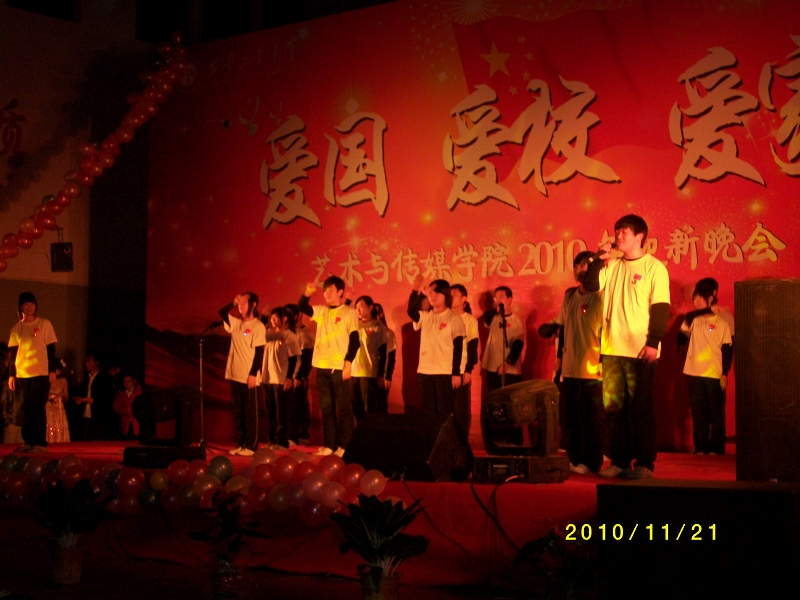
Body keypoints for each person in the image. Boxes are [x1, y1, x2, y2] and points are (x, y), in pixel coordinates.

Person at [584, 214, 670, 480]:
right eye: (617, 231)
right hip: (612, 350)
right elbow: (590, 285)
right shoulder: (612, 265)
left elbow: (661, 309)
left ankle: (644, 463)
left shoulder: (654, 267)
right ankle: (619, 461)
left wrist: (653, 343)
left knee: (640, 408)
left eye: (624, 232)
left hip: (640, 351)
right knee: (613, 409)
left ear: (640, 236)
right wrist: (598, 259)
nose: (618, 236)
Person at [538, 251, 606, 474]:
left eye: (585, 265)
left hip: (593, 368)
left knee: (592, 417)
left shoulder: (601, 297)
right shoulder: (569, 297)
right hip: (570, 366)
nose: (579, 270)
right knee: (572, 416)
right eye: (576, 265)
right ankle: (575, 458)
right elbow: (564, 327)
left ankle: (592, 461)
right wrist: (559, 358)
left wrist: (604, 360)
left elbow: (607, 331)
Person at [298, 276, 359, 456]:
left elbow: (355, 341)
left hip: (339, 367)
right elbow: (302, 307)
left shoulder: (349, 313)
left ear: (340, 292)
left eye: (330, 290)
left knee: (344, 409)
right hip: (321, 366)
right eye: (325, 291)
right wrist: (308, 292)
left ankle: (345, 446)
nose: (326, 294)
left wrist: (348, 363)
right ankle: (329, 445)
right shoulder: (321, 311)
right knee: (326, 408)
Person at [678, 280, 733, 455]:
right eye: (695, 298)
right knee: (698, 411)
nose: (697, 301)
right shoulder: (692, 319)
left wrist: (724, 373)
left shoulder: (723, 321)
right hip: (694, 372)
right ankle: (700, 447)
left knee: (716, 413)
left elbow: (727, 349)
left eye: (700, 298)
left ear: (711, 298)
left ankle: (717, 448)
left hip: (714, 373)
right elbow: (680, 338)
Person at [7, 292, 58, 453]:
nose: (29, 307)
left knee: (37, 407)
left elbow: (51, 349)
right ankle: (28, 441)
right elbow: (13, 354)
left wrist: (51, 370)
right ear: (21, 307)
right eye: (26, 304)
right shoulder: (16, 328)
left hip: (41, 372)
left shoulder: (44, 323)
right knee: (26, 408)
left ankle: (40, 442)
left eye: (32, 304)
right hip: (22, 373)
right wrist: (11, 375)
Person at [407, 277, 465, 418]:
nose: (432, 296)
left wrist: (456, 373)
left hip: (445, 373)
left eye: (436, 292)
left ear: (446, 295)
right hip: (424, 372)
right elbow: (411, 311)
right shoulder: (425, 316)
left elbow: (458, 347)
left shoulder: (454, 318)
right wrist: (418, 292)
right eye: (430, 293)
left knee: (445, 413)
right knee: (428, 412)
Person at [219, 292, 267, 457]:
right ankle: (241, 444)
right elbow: (222, 312)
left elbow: (259, 352)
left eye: (244, 303)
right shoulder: (236, 323)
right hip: (234, 373)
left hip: (248, 376)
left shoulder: (257, 326)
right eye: (239, 303)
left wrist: (253, 374)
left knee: (250, 412)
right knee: (238, 412)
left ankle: (251, 446)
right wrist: (233, 302)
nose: (240, 306)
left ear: (253, 305)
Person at [262, 306, 301, 449]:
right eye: (271, 317)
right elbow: (254, 334)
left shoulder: (289, 336)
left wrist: (289, 377)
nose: (272, 320)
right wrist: (263, 318)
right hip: (267, 379)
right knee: (270, 412)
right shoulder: (269, 335)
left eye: (276, 317)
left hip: (281, 379)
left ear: (284, 319)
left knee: (281, 413)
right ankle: (272, 441)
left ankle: (282, 442)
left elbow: (293, 358)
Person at [481, 286, 525, 392]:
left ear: (509, 299)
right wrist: (496, 310)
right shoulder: (493, 317)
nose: (498, 300)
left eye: (501, 297)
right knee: (494, 397)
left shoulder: (516, 321)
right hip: (492, 367)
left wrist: (508, 362)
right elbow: (485, 317)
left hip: (510, 369)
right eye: (496, 298)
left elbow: (519, 343)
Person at [351, 295, 388, 419]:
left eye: (361, 306)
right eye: (356, 307)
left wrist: (380, 374)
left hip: (369, 373)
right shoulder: (353, 326)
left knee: (369, 409)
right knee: (355, 408)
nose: (358, 309)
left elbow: (383, 352)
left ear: (370, 307)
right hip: (353, 373)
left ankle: (370, 431)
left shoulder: (378, 327)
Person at [450, 284, 479, 440]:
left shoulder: (470, 321)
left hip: (461, 370)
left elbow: (473, 346)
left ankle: (462, 441)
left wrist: (468, 369)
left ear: (464, 299)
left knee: (461, 409)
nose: (450, 297)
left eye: (454, 294)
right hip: (443, 369)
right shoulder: (444, 317)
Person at [286, 303, 315, 445]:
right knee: (291, 406)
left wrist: (300, 377)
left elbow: (307, 358)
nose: (286, 317)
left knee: (298, 406)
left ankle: (299, 436)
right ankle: (292, 435)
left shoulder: (304, 333)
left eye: (289, 314)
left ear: (298, 315)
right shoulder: (287, 332)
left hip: (298, 376)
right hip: (288, 376)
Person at [73, 354, 116, 440]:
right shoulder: (87, 377)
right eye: (86, 361)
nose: (86, 364)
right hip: (86, 414)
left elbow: (107, 397)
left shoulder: (104, 378)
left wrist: (93, 400)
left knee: (97, 440)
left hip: (98, 416)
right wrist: (81, 400)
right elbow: (85, 393)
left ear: (96, 363)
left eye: (89, 361)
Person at [373, 303, 396, 414]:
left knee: (381, 404)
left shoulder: (387, 333)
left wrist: (388, 377)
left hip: (381, 375)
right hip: (367, 373)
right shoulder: (367, 330)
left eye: (375, 313)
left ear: (381, 314)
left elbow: (390, 356)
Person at [1, 341, 24, 444]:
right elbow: (3, 403)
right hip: (12, 423)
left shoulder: (24, 383)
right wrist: (7, 421)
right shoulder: (6, 383)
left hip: (20, 423)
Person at [46, 359, 71, 443]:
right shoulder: (47, 379)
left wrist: (61, 397)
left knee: (59, 425)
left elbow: (66, 397)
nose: (57, 371)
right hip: (48, 406)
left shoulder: (63, 380)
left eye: (59, 370)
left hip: (59, 407)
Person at [113, 373, 142, 439]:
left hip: (137, 424)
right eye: (125, 382)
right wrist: (126, 411)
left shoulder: (140, 392)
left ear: (134, 381)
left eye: (129, 381)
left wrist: (133, 411)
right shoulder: (120, 393)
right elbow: (116, 407)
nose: (127, 384)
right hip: (125, 424)